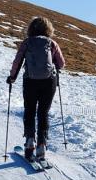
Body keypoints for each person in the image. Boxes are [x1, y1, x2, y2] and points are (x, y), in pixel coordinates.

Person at [6, 17, 65, 162]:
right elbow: (62, 64)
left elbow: (17, 61)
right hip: (49, 82)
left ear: (31, 28)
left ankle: (30, 141)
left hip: (30, 81)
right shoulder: (52, 43)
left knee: (30, 111)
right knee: (43, 112)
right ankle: (42, 146)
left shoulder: (27, 43)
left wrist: (12, 77)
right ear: (48, 29)